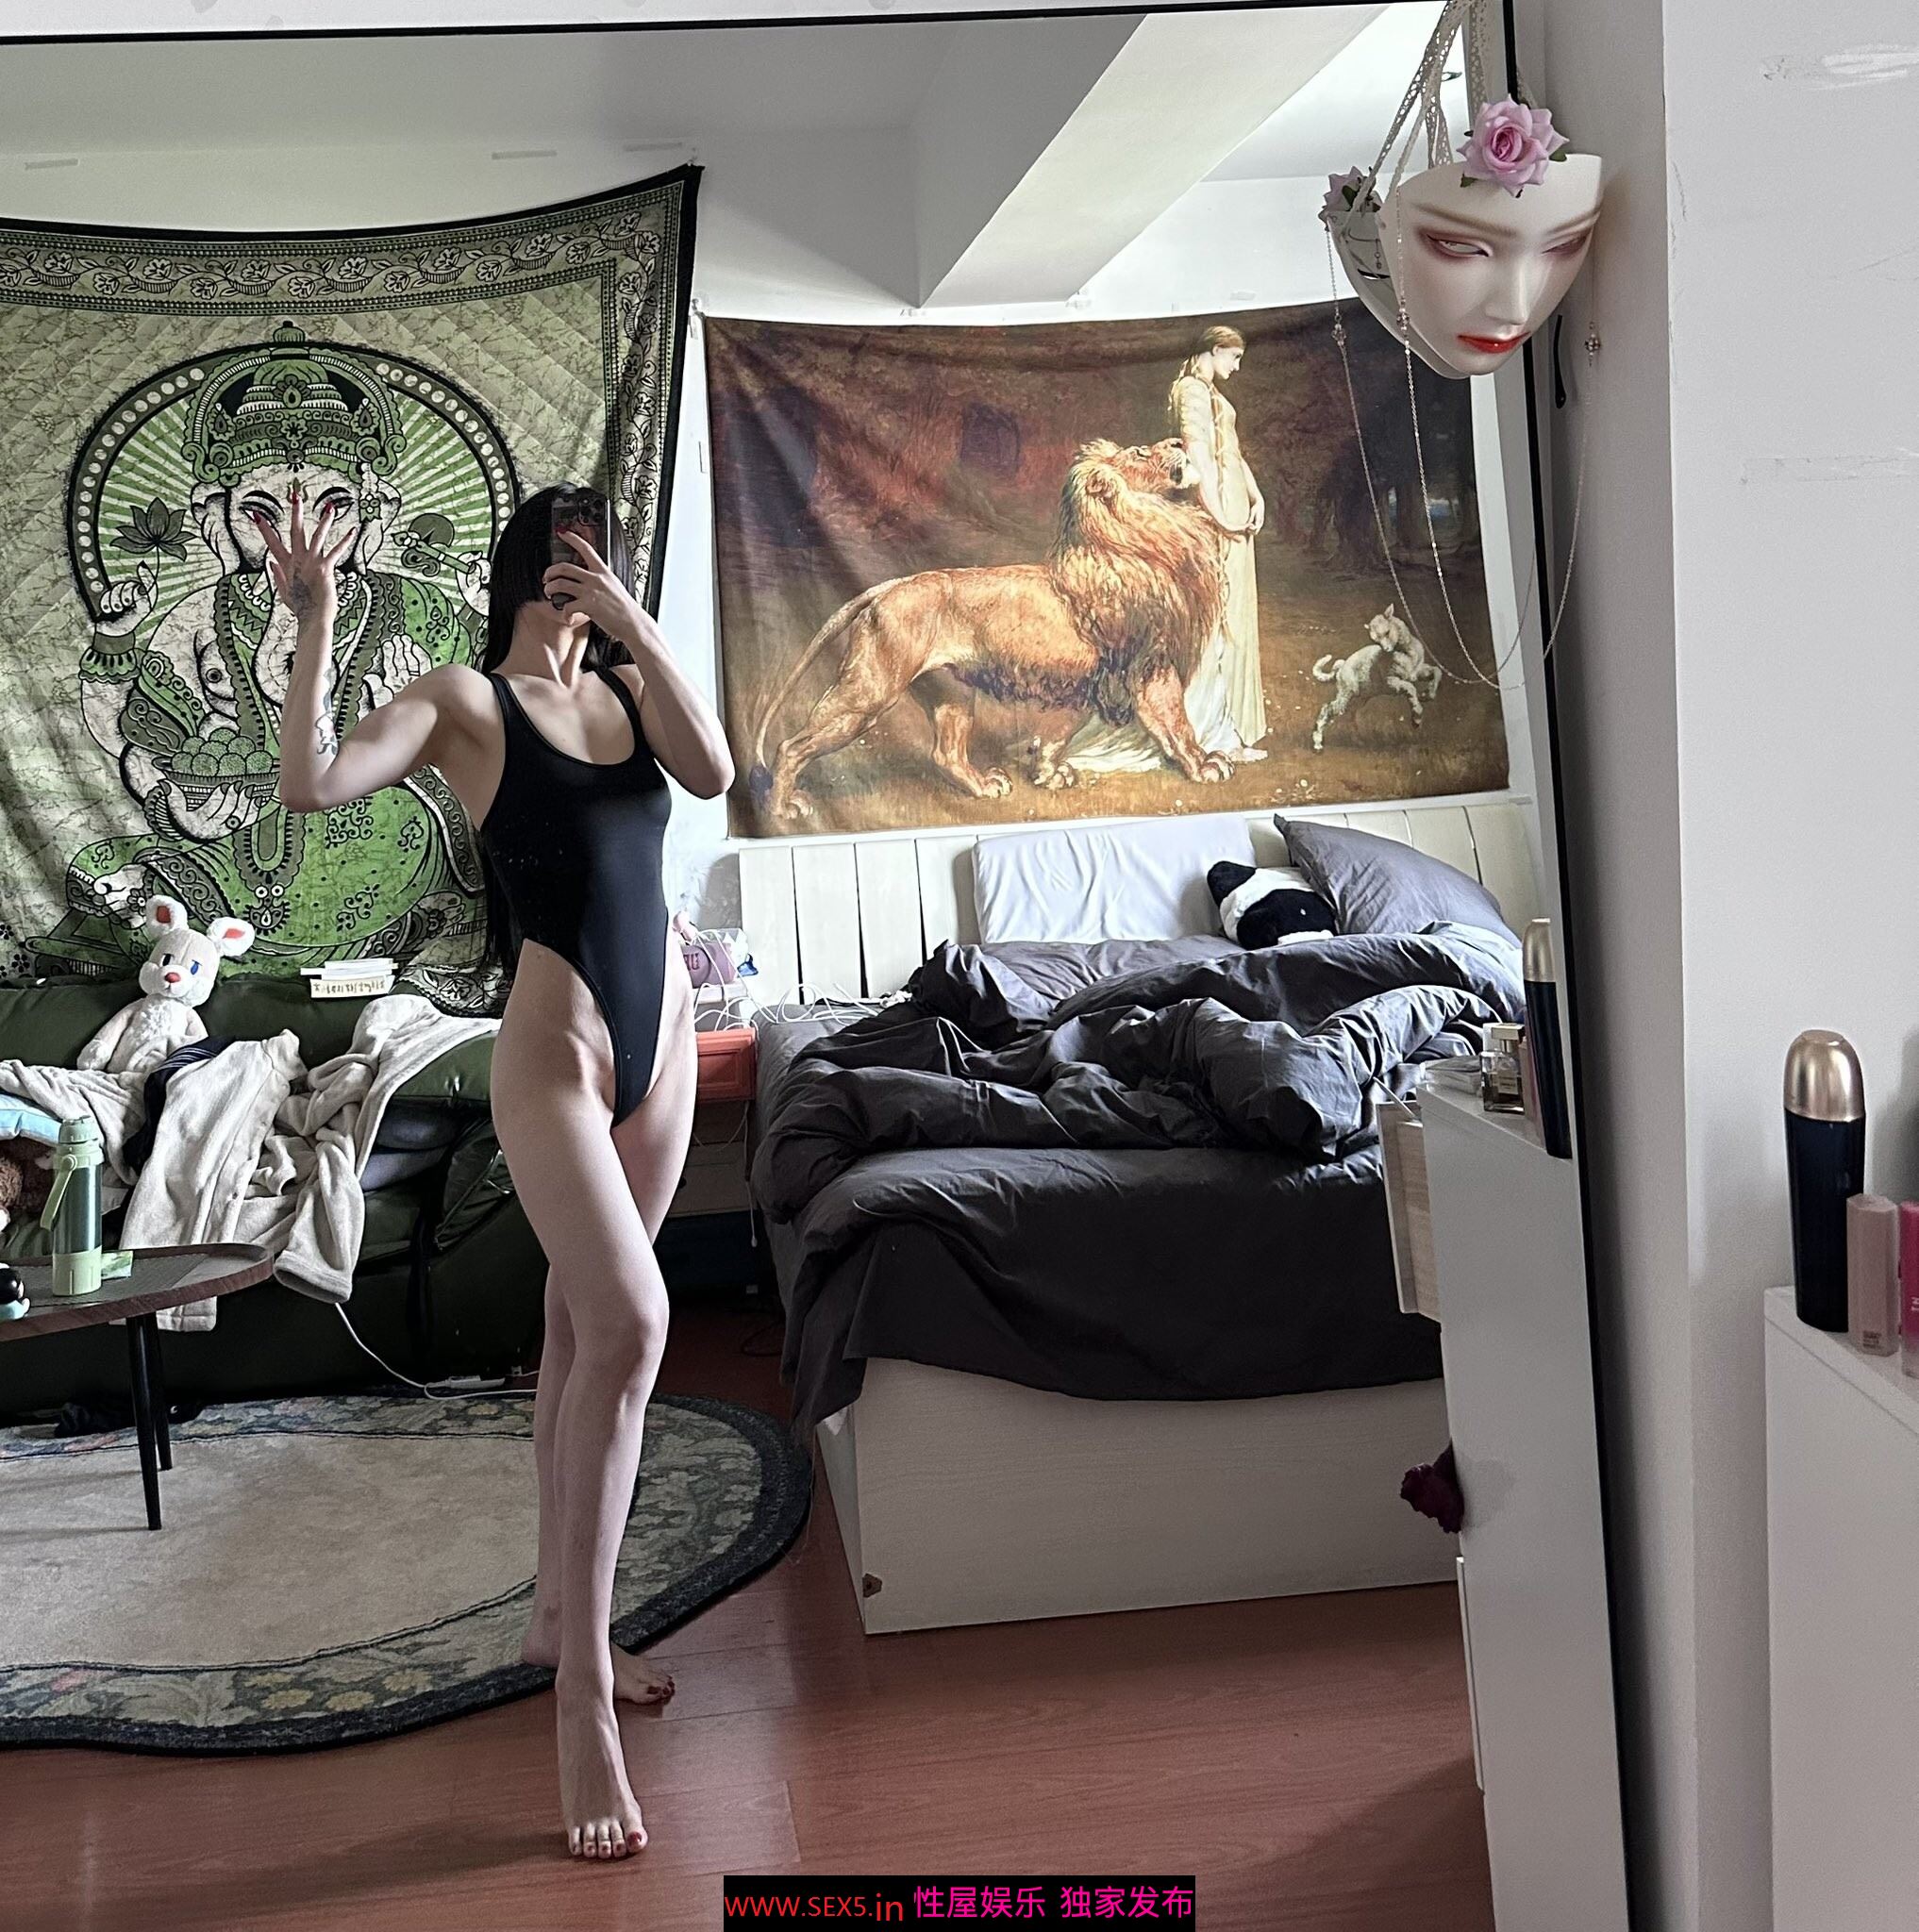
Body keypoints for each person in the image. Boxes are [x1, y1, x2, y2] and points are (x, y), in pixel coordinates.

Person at [268, 479, 734, 1863]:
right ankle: (580, 1693)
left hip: (664, 1047)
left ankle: (552, 1618)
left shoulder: (633, 693)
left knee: (582, 1331)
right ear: (537, 565)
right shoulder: (468, 702)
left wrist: (636, 626)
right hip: (555, 1048)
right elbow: (309, 784)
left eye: (612, 557)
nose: (596, 572)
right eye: (581, 554)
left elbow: (714, 773)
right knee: (633, 1326)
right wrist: (316, 619)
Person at [1062, 324, 1269, 776]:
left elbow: (1233, 453)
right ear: (1214, 350)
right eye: (1233, 357)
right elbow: (1199, 458)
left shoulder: (1211, 394)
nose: (1237, 368)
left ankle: (1228, 730)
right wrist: (1220, 516)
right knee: (1212, 619)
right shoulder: (1190, 391)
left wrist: (1256, 497)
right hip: (1216, 504)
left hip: (1233, 499)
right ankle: (1208, 732)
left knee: (1232, 615)